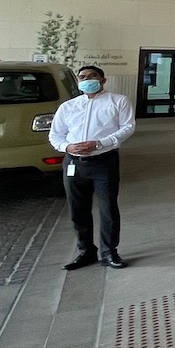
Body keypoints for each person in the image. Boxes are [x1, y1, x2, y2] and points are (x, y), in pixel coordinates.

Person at [49, 64, 136, 270]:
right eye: (83, 77)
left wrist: (100, 143)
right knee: (78, 210)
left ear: (103, 80)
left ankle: (109, 252)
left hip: (103, 162)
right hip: (73, 163)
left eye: (92, 76)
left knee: (108, 209)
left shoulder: (118, 101)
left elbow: (128, 127)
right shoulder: (68, 106)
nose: (87, 79)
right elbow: (55, 134)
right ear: (78, 82)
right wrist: (67, 146)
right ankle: (86, 251)